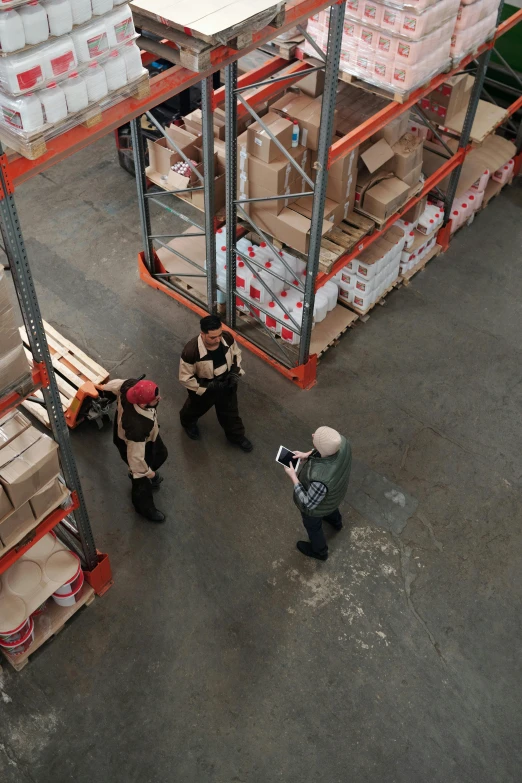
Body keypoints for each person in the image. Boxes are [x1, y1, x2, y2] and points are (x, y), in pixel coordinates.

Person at [97, 377, 168, 523]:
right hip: (131, 443)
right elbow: (136, 459)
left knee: (161, 454)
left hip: (148, 437)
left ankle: (145, 475)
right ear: (143, 404)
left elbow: (115, 385)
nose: (159, 398)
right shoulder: (137, 427)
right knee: (140, 480)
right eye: (155, 399)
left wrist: (101, 389)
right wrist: (148, 473)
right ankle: (144, 508)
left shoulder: (130, 387)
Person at [179, 315, 253, 452]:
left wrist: (235, 373)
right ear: (203, 334)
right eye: (213, 337)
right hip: (203, 388)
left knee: (230, 413)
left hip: (226, 383)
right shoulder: (191, 351)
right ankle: (187, 423)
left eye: (219, 334)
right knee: (195, 408)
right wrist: (207, 386)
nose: (218, 339)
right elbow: (185, 378)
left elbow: (236, 355)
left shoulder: (227, 338)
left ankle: (236, 436)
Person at [284, 426, 352, 561]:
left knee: (313, 527)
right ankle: (336, 523)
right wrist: (308, 454)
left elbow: (308, 503)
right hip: (335, 494)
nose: (313, 434)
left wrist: (293, 476)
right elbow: (327, 452)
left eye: (316, 437)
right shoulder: (343, 443)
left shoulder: (320, 480)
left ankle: (320, 552)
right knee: (330, 507)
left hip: (316, 509)